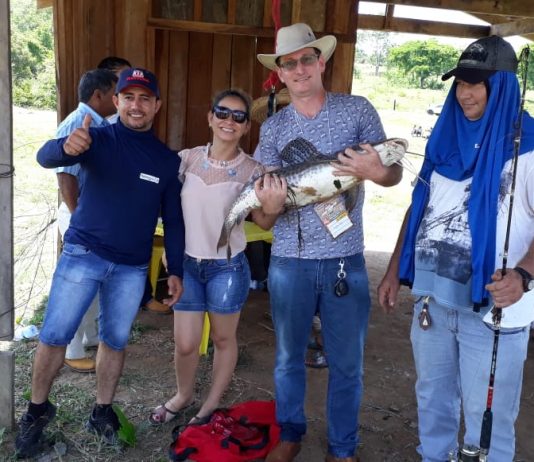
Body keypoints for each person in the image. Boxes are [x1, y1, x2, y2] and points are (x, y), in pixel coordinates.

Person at [15, 67, 185, 458]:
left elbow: (174, 220)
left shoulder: (165, 161)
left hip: (131, 268)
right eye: (129, 97)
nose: (136, 105)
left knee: (115, 340)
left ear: (157, 105)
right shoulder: (95, 138)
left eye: (145, 98)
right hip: (83, 256)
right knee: (55, 335)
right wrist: (64, 147)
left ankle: (102, 411)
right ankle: (36, 412)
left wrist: (175, 269)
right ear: (116, 101)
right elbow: (44, 156)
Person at [378, 36, 534, 461]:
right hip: (433, 302)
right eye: (460, 82)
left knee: (489, 417)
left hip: (494, 311)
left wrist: (523, 275)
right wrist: (393, 270)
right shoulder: (444, 138)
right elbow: (419, 208)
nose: (465, 93)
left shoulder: (528, 147)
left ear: (501, 86)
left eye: (476, 83)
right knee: (432, 398)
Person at [254, 23, 402, 462]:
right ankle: (290, 433)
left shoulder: (357, 110)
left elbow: (392, 171)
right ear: (280, 73)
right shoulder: (273, 129)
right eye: (289, 63)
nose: (299, 69)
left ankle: (342, 446)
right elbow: (263, 216)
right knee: (287, 358)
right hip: (289, 262)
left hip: (345, 262)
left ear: (321, 62)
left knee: (347, 363)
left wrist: (378, 172)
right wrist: (270, 206)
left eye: (307, 59)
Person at [149, 89, 286, 425]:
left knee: (223, 339)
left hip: (227, 268)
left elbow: (263, 222)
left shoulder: (254, 170)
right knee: (186, 344)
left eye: (239, 117)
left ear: (246, 127)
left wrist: (273, 206)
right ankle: (183, 395)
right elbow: (166, 208)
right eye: (222, 113)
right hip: (186, 266)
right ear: (210, 117)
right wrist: (170, 253)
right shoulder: (186, 160)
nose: (229, 121)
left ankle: (209, 406)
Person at [54, 68, 118, 373]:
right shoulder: (79, 122)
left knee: (94, 282)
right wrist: (80, 218)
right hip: (79, 217)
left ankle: (89, 335)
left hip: (91, 217)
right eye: (115, 94)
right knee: (78, 285)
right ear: (98, 95)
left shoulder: (99, 123)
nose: (118, 101)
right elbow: (65, 176)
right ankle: (71, 347)